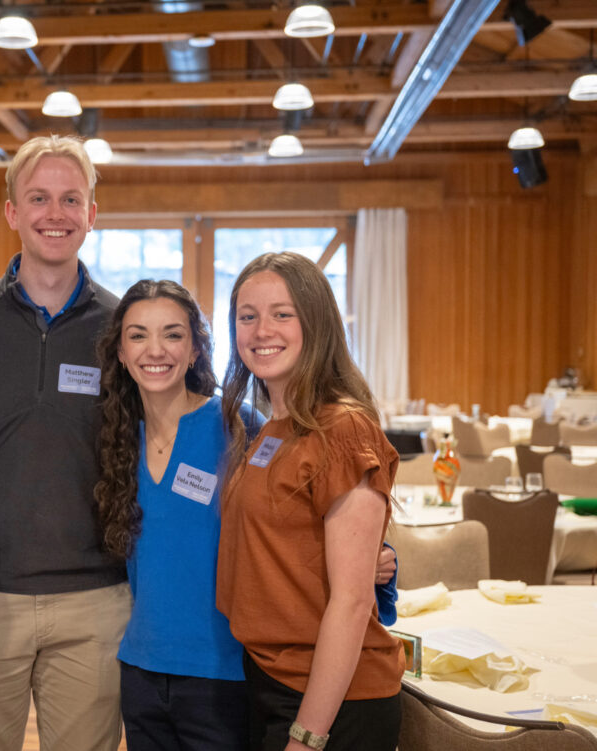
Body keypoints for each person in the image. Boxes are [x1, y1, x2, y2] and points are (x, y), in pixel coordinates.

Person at [94, 280, 400, 751]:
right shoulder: (116, 440)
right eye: (137, 335)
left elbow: (317, 521)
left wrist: (380, 562)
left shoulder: (242, 428)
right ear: (118, 350)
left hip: (227, 673)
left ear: (197, 349)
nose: (155, 349)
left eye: (173, 334)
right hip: (142, 668)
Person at [0, 135, 130, 751]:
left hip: (96, 599)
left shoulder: (127, 329)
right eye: (40, 197)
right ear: (13, 213)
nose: (56, 213)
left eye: (71, 199)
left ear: (92, 215)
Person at [217, 252, 405, 751]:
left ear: (316, 323)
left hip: (333, 701)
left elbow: (352, 600)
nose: (262, 330)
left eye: (282, 313)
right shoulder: (271, 428)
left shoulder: (342, 427)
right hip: (273, 679)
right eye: (247, 315)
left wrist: (307, 734)